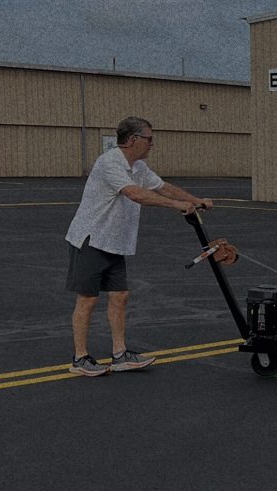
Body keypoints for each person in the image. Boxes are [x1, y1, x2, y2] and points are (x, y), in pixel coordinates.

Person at [64, 116, 214, 376]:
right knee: (88, 299)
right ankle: (80, 359)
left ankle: (120, 354)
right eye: (149, 139)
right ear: (133, 139)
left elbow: (162, 186)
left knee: (120, 296)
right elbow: (135, 193)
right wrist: (177, 206)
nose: (152, 144)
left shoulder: (138, 166)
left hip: (114, 241)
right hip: (91, 238)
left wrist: (195, 199)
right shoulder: (110, 162)